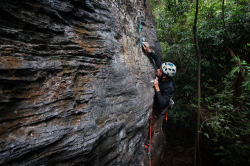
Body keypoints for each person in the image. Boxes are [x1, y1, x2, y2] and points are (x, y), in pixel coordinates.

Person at [142, 42, 176, 148]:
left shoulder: (169, 88)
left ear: (165, 77)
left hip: (158, 106)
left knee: (151, 123)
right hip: (157, 98)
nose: (157, 69)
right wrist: (149, 51)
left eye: (160, 71)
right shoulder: (164, 74)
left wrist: (157, 87)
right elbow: (157, 60)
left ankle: (148, 140)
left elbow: (162, 104)